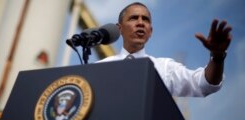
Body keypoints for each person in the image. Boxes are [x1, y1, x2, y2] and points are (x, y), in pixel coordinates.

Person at [97, 2, 232, 97]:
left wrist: (217, 56)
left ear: (151, 31)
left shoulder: (165, 68)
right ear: (119, 28)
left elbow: (203, 84)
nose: (140, 23)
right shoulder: (101, 68)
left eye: (146, 19)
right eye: (133, 18)